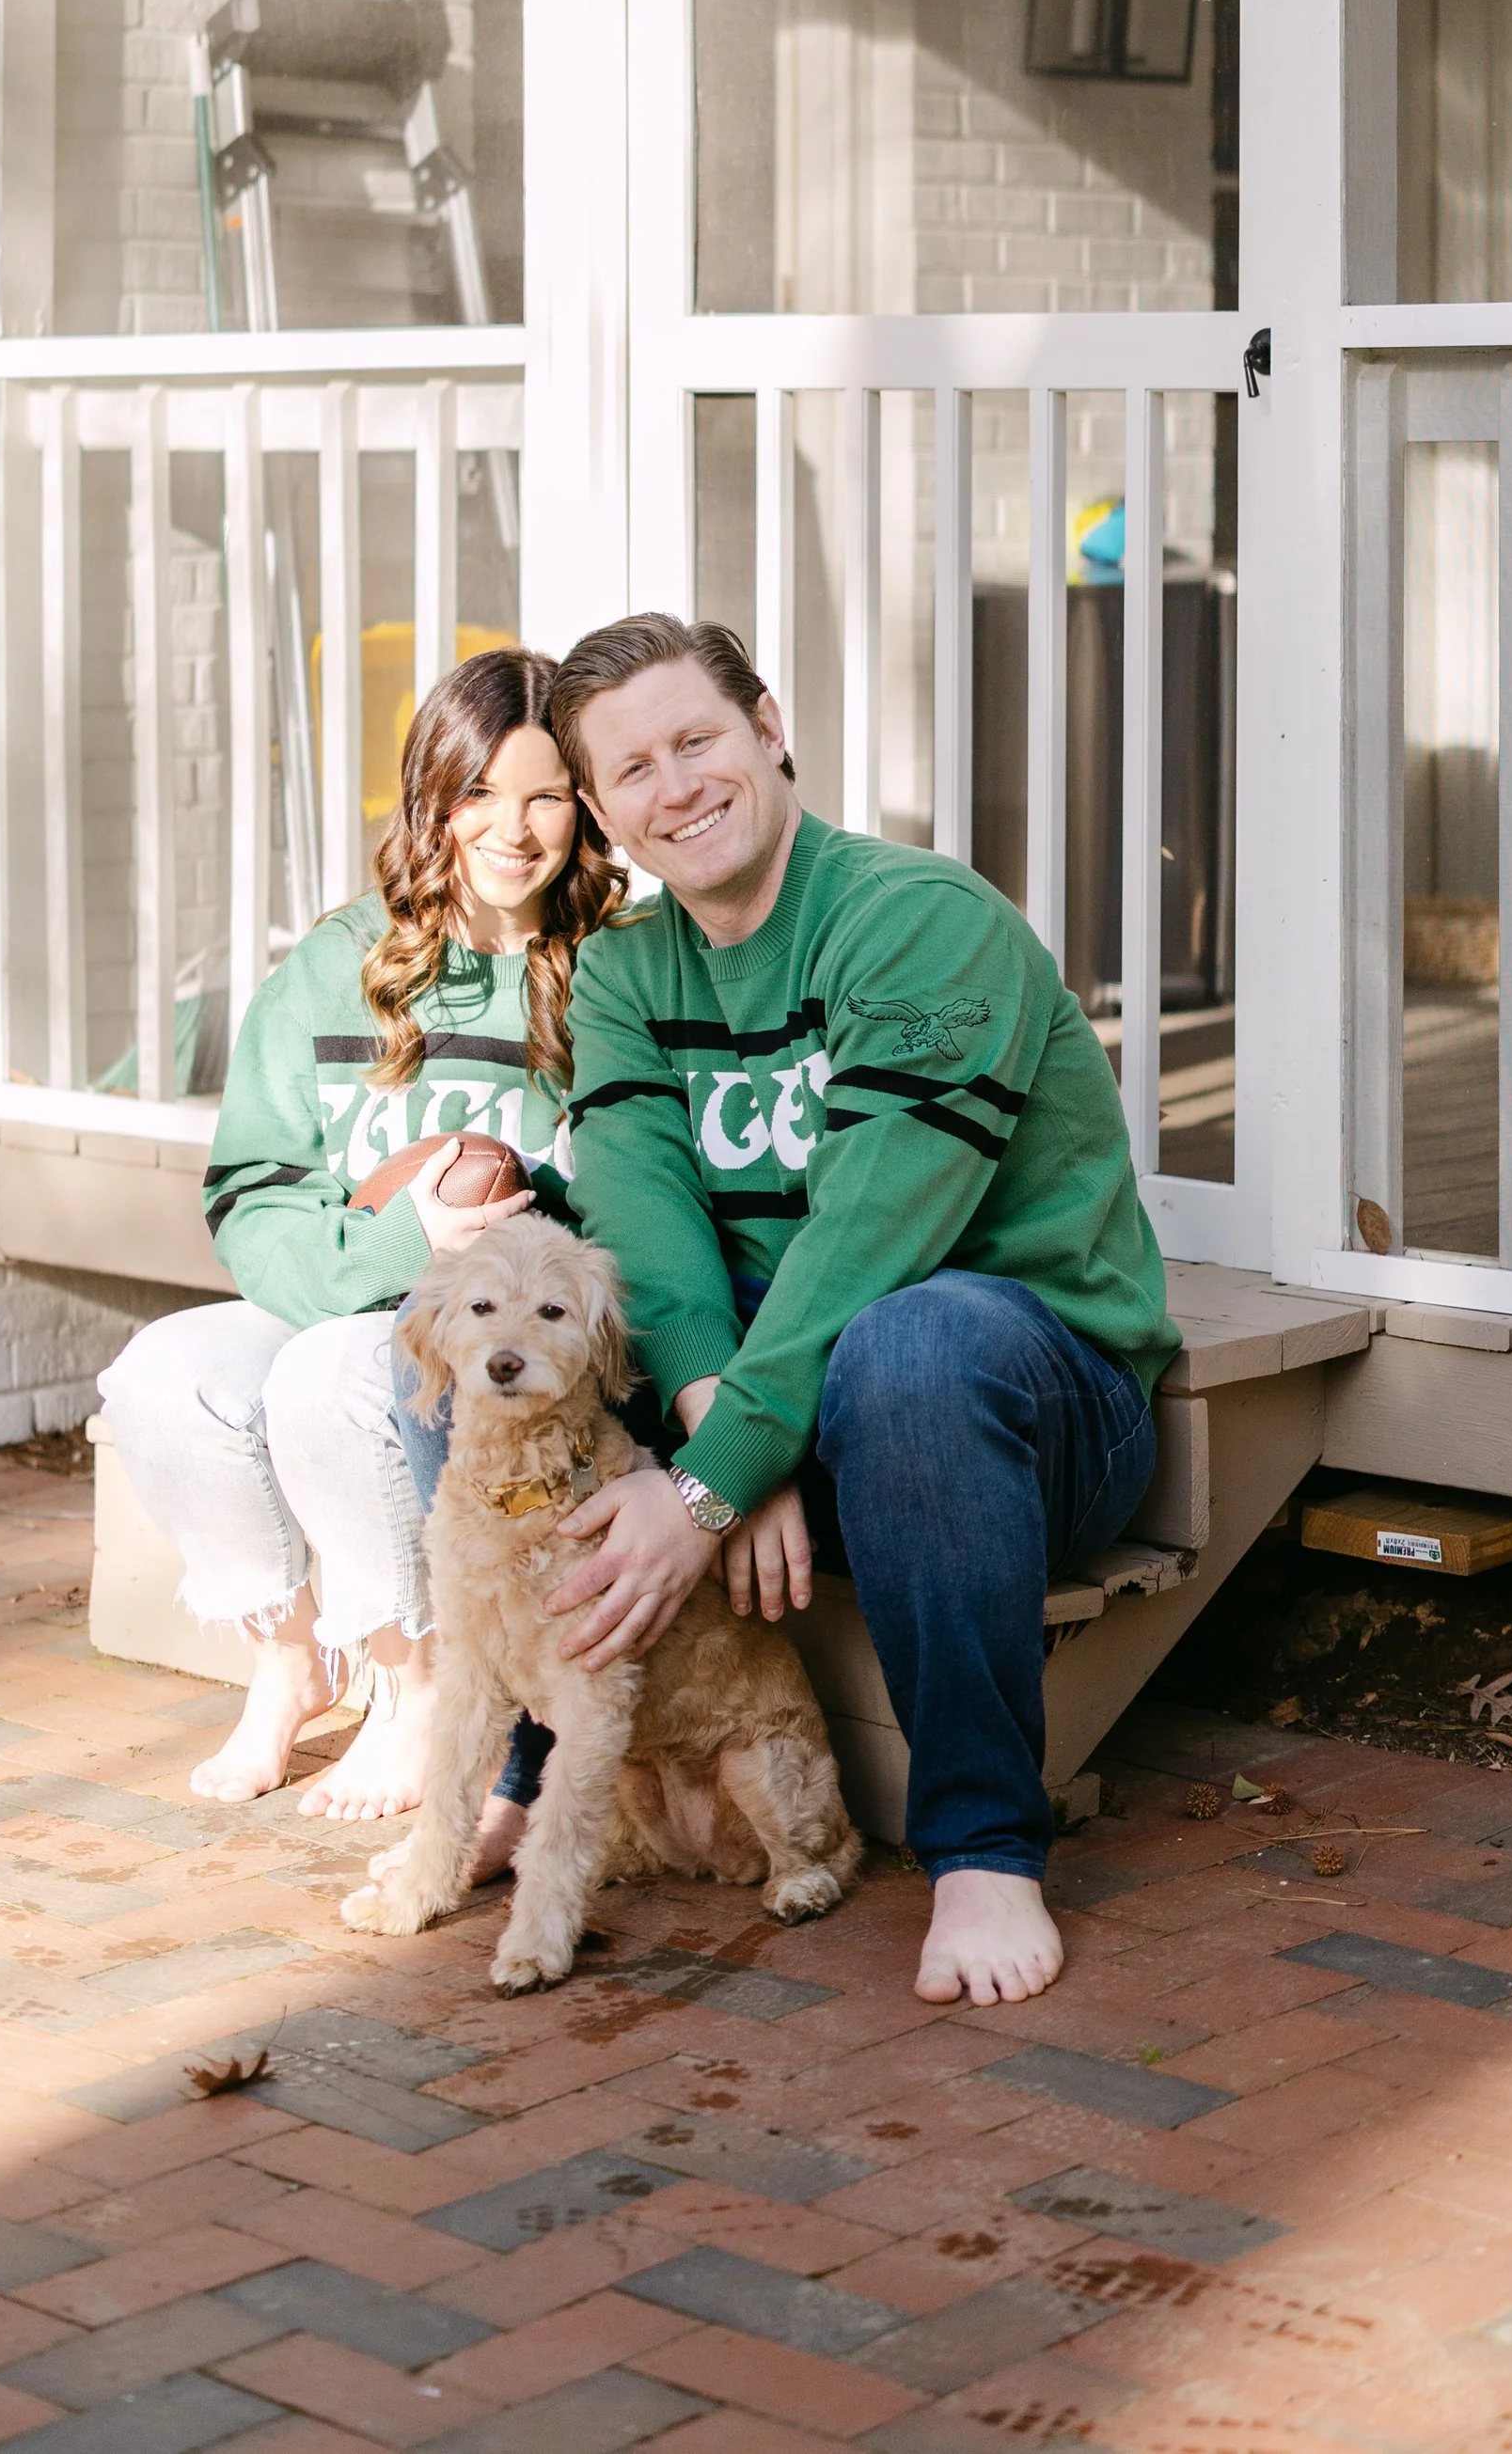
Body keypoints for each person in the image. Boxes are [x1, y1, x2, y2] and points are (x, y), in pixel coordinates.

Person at [542, 611, 1174, 2009]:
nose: (678, 785)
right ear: (601, 809)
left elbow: (879, 1236)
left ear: (769, 728)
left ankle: (982, 1847)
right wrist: (729, 1438)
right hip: (789, 1382)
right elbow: (645, 1229)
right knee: (522, 1324)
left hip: (1020, 1383)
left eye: (697, 738)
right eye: (633, 768)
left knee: (909, 1342)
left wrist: (713, 1479)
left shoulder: (920, 923)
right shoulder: (625, 972)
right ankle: (517, 1766)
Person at [96, 649, 620, 1819]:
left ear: (583, 807)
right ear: (431, 798)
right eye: (478, 792)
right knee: (165, 1374)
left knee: (340, 1371)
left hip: (499, 1340)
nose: (512, 828)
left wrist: (489, 1243)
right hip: (353, 1284)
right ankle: (291, 1660)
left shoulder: (614, 967)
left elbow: (632, 1201)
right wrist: (399, 1247)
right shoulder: (343, 961)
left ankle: (416, 1679)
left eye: (544, 794)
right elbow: (252, 1191)